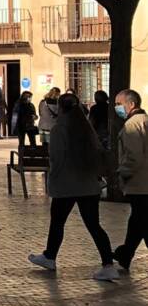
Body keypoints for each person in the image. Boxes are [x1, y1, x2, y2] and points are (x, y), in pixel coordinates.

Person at [28, 93, 118, 280]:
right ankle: (108, 264)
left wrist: (52, 180)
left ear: (61, 108)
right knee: (94, 225)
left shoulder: (59, 129)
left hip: (66, 185)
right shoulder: (87, 128)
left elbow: (56, 159)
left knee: (57, 222)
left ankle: (50, 257)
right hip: (88, 184)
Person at [114, 89, 148, 273]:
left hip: (139, 182)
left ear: (131, 104)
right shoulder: (145, 121)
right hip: (144, 182)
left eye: (119, 104)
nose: (116, 108)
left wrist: (123, 173)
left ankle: (125, 253)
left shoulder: (132, 125)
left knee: (139, 219)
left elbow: (134, 156)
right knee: (139, 220)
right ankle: (125, 254)